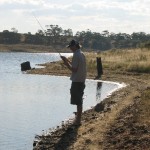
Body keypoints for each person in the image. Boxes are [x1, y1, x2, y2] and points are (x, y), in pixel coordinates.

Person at [61, 39, 86, 126]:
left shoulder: (76, 54)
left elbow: (74, 69)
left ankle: (78, 120)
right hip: (81, 80)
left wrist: (65, 63)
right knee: (79, 100)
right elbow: (76, 65)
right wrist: (67, 60)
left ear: (75, 46)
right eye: (70, 47)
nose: (70, 48)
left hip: (77, 80)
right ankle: (78, 119)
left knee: (78, 101)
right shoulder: (81, 54)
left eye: (71, 46)